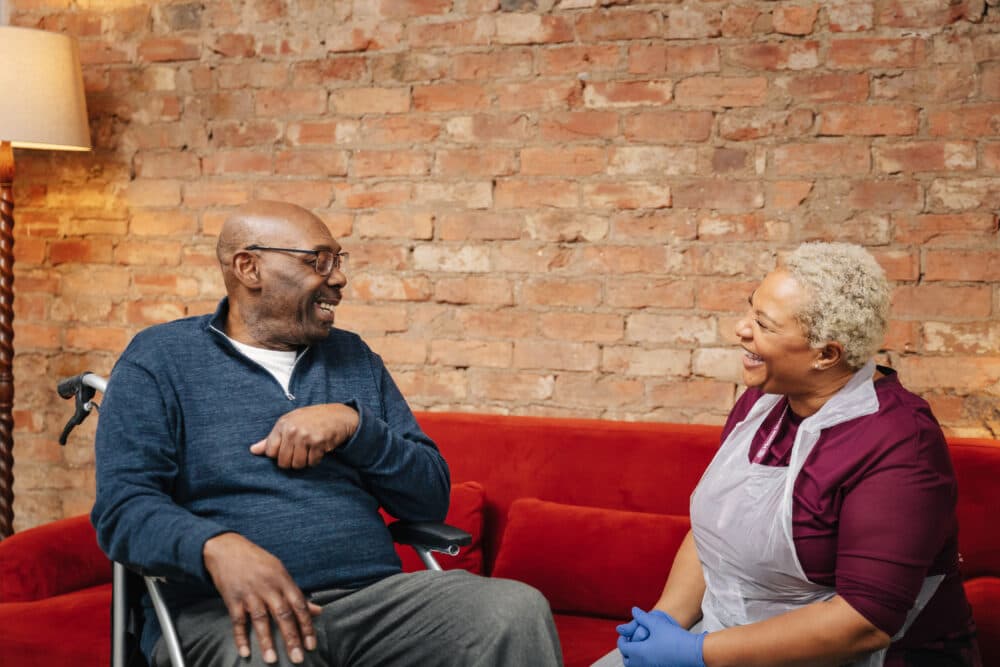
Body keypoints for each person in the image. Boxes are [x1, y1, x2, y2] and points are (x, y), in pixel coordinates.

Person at [91, 200, 563, 667]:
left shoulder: (354, 358)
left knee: (512, 611)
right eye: (319, 261)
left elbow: (429, 500)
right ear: (248, 267)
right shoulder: (160, 360)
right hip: (230, 613)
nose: (337, 278)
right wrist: (215, 547)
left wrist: (356, 427)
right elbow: (124, 507)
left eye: (337, 260)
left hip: (373, 601)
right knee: (270, 658)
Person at [602, 242, 981, 667]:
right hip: (726, 644)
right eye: (750, 310)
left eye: (764, 324)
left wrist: (696, 653)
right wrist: (664, 621)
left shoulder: (901, 442)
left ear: (826, 354)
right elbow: (716, 534)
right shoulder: (763, 402)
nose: (740, 330)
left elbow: (865, 622)